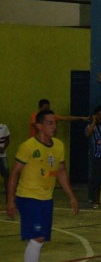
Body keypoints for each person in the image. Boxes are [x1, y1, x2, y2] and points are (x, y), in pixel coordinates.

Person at [7, 110, 79, 262]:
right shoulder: (28, 147)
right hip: (28, 197)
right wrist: (10, 200)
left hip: (47, 198)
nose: (54, 126)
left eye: (55, 123)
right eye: (50, 123)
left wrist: (71, 196)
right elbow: (14, 174)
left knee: (39, 238)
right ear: (39, 126)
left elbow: (60, 171)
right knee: (38, 237)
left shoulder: (58, 145)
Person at [0, 121, 10, 201]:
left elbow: (7, 140)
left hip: (2, 156)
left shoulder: (4, 127)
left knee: (6, 176)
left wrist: (3, 148)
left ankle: (8, 198)